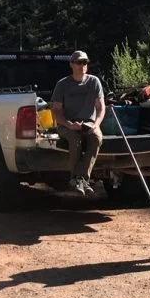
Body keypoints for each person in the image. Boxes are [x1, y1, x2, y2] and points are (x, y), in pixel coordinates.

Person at [50, 50, 105, 196]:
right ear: (71, 65)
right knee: (76, 140)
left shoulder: (94, 82)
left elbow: (101, 107)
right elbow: (56, 110)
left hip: (89, 124)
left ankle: (80, 179)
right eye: (79, 62)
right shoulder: (62, 84)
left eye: (85, 62)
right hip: (67, 125)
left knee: (97, 138)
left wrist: (96, 124)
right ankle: (76, 180)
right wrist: (68, 124)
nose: (82, 66)